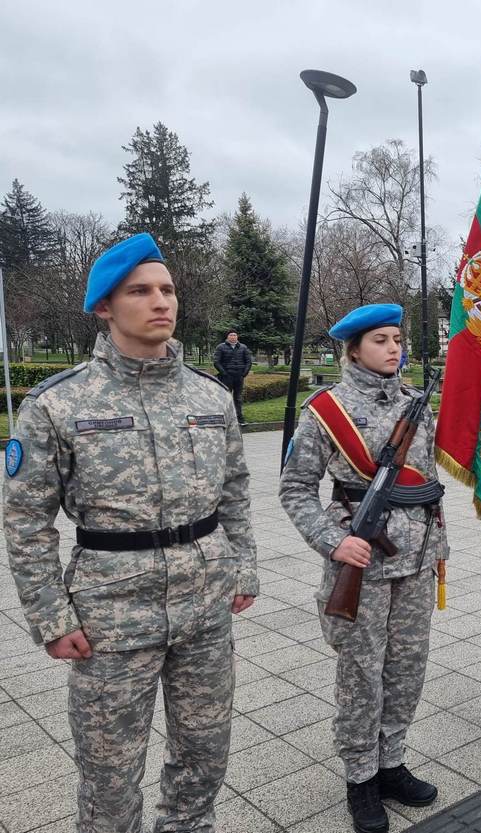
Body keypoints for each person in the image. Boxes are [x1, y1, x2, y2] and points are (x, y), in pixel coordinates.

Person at [3, 232, 258, 832]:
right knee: (109, 775)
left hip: (204, 605)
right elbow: (26, 519)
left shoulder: (210, 396)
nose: (161, 301)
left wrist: (243, 567)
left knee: (204, 755)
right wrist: (51, 617)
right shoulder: (56, 404)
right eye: (140, 291)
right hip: (111, 616)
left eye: (167, 289)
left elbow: (236, 493)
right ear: (103, 307)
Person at [279, 303, 447, 833]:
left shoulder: (416, 405)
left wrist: (438, 550)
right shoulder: (326, 411)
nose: (394, 348)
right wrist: (334, 542)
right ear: (353, 349)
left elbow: (429, 486)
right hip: (363, 564)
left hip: (415, 562)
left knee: (406, 670)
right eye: (380, 340)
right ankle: (360, 779)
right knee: (361, 676)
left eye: (397, 338)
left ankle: (391, 762)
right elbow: (295, 488)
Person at [213, 331, 252, 425]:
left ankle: (240, 419)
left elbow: (248, 361)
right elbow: (216, 362)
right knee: (226, 397)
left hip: (239, 376)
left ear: (237, 337)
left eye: (235, 335)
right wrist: (224, 373)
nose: (233, 337)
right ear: (227, 337)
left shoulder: (243, 347)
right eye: (231, 335)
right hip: (227, 377)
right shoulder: (221, 347)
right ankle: (226, 419)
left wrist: (244, 373)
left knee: (238, 398)